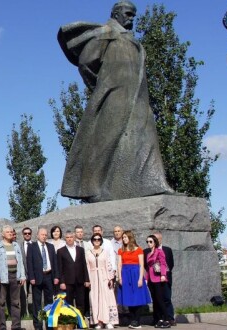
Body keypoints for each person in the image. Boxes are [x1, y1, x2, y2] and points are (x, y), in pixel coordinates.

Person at [57, 0, 175, 202]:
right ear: (116, 13)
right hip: (114, 95)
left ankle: (153, 183)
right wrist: (103, 85)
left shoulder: (132, 41)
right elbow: (86, 63)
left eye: (133, 15)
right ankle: (91, 189)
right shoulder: (105, 33)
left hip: (137, 97)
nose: (132, 18)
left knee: (146, 137)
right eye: (128, 14)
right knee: (105, 141)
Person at [117, 230, 151, 329]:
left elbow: (141, 265)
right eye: (123, 237)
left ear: (130, 238)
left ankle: (137, 320)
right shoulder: (121, 250)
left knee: (137, 297)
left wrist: (140, 278)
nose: (124, 239)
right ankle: (133, 320)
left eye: (125, 237)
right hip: (125, 274)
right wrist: (120, 277)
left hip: (136, 274)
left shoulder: (138, 249)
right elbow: (119, 265)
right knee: (128, 298)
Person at [0, 225, 26, 330]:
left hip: (15, 276)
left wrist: (22, 276)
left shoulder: (16, 245)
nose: (10, 233)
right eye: (7, 232)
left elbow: (20, 261)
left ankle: (16, 326)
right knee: (1, 303)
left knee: (15, 303)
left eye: (11, 232)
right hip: (3, 277)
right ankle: (2, 327)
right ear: (2, 234)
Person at [27, 227, 59, 330]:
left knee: (49, 302)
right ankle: (38, 325)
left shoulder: (50, 246)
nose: (44, 236)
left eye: (45, 235)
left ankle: (49, 325)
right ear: (37, 235)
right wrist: (31, 277)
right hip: (37, 278)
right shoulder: (32, 247)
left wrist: (56, 276)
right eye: (42, 234)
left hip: (49, 276)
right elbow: (29, 263)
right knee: (37, 303)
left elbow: (54, 262)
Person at [86, 233, 119, 329]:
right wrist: (88, 280)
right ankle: (98, 322)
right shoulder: (88, 253)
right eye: (95, 239)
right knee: (95, 299)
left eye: (98, 239)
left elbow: (108, 265)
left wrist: (110, 278)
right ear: (92, 241)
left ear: (101, 241)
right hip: (93, 278)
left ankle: (108, 321)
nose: (97, 241)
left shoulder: (105, 252)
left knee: (106, 298)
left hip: (104, 277)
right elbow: (87, 267)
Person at [56, 231, 89, 322]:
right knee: (69, 303)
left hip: (80, 280)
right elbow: (60, 268)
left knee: (80, 302)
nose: (69, 239)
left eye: (71, 237)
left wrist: (86, 279)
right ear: (65, 239)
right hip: (67, 281)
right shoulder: (60, 251)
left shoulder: (80, 250)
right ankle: (71, 321)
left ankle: (80, 321)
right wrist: (62, 281)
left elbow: (84, 265)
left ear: (74, 238)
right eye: (67, 237)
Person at [145, 232, 175, 326]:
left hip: (158, 278)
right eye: (147, 241)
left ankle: (167, 318)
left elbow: (163, 264)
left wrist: (163, 275)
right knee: (156, 300)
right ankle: (159, 319)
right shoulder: (148, 253)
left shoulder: (160, 251)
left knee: (161, 299)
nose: (149, 243)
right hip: (151, 279)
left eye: (151, 241)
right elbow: (148, 267)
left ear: (155, 242)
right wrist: (146, 278)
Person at [20, 227, 34, 318]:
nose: (27, 234)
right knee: (24, 294)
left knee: (35, 294)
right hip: (24, 273)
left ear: (31, 234)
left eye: (29, 233)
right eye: (25, 233)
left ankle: (36, 311)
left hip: (34, 275)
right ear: (23, 235)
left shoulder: (35, 245)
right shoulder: (19, 245)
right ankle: (25, 312)